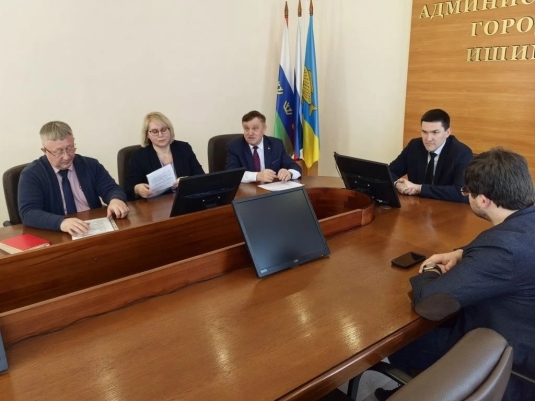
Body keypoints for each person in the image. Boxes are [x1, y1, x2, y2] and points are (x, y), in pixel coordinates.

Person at [378, 148, 535, 401]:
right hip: (521, 330)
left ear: (482, 200)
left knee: (402, 342)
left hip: (507, 358)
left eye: (467, 191)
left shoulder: (502, 247)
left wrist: (430, 268)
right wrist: (462, 253)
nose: (466, 195)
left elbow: (429, 302)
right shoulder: (524, 224)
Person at [18, 121, 129, 235]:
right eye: (58, 152)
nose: (66, 157)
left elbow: (111, 189)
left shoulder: (90, 165)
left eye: (70, 148)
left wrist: (116, 200)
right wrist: (61, 222)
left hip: (93, 227)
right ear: (44, 151)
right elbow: (28, 213)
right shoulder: (32, 174)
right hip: (57, 233)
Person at [389, 109, 472, 203]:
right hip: (416, 205)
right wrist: (397, 184)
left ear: (447, 132)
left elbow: (462, 193)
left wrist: (419, 188)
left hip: (445, 207)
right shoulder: (414, 146)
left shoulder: (462, 153)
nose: (428, 139)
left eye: (435, 132)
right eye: (424, 132)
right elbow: (389, 172)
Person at [124, 112, 204, 201]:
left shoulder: (183, 148)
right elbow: (128, 190)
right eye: (155, 131)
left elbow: (202, 178)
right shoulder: (139, 156)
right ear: (147, 135)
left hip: (185, 201)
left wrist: (187, 181)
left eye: (164, 129)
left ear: (170, 130)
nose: (160, 135)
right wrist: (137, 189)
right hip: (156, 205)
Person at [225, 110, 302, 183]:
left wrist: (289, 173)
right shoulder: (234, 147)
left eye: (255, 128)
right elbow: (231, 174)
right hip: (247, 190)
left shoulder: (276, 144)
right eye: (246, 129)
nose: (250, 133)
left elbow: (295, 167)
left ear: (264, 129)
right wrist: (256, 176)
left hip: (271, 189)